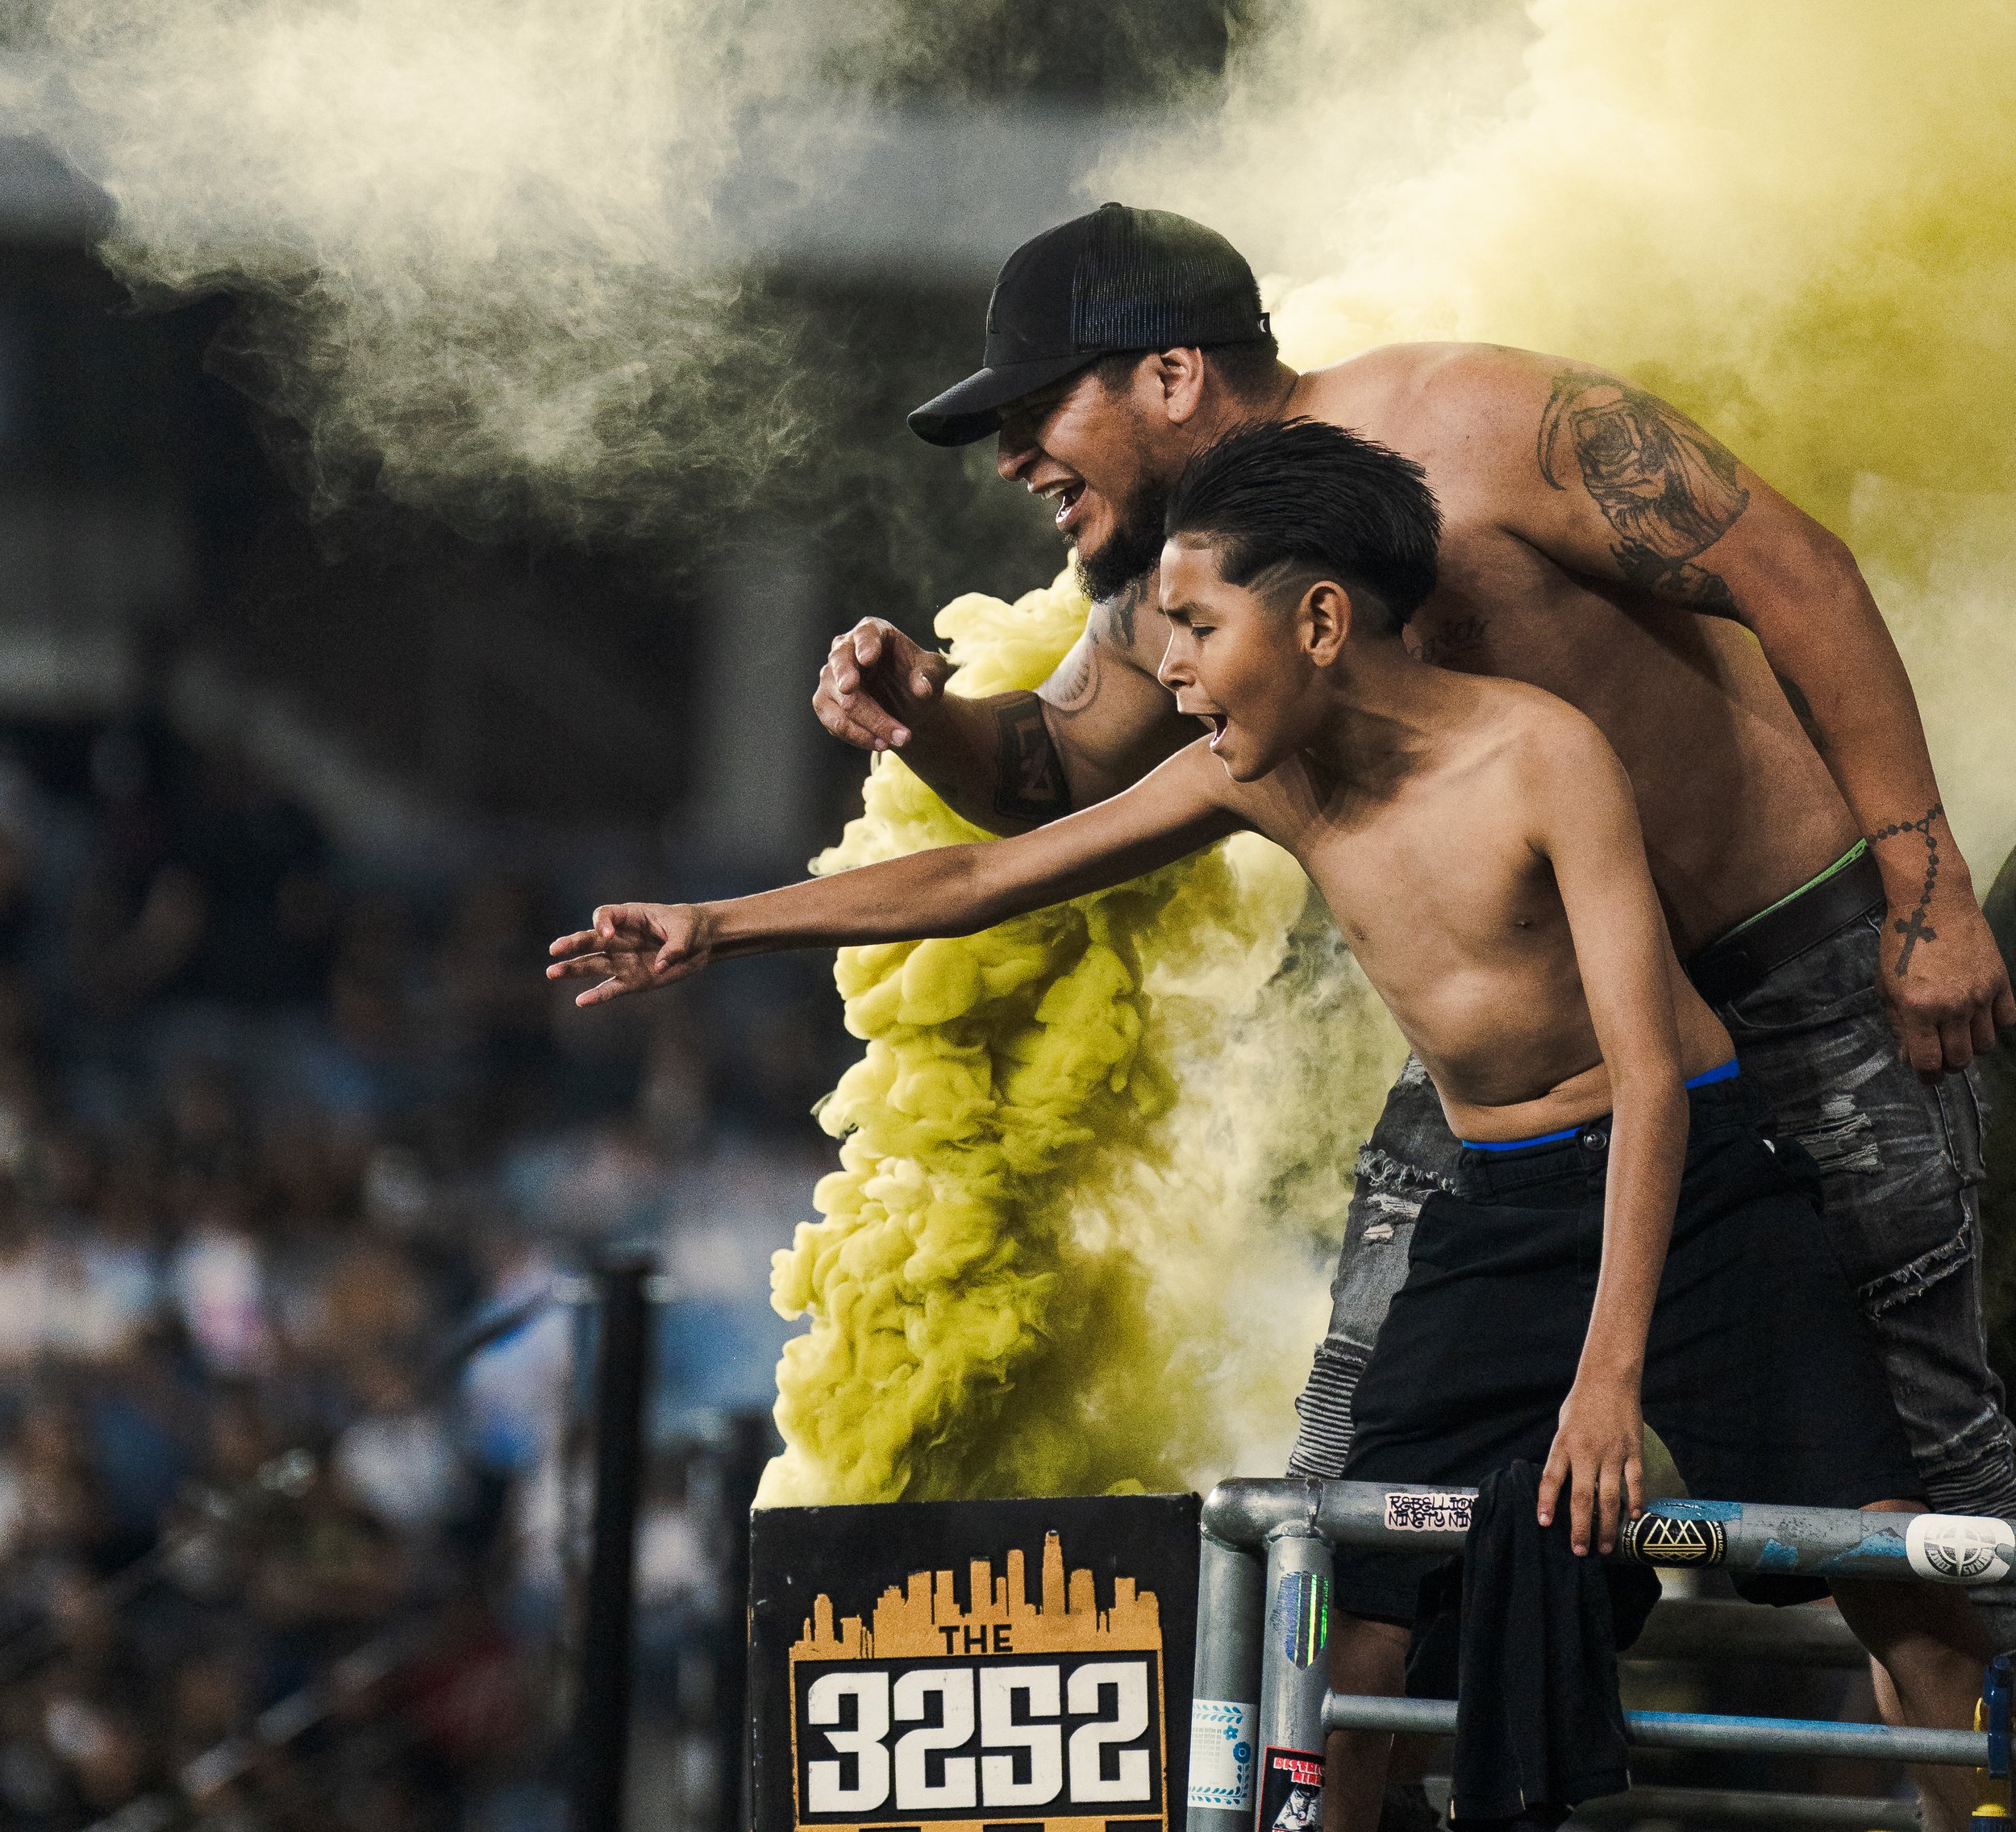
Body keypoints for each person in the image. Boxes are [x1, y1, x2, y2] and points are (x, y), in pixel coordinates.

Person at [564, 420, 1989, 1831]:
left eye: (1192, 625)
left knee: (1887, 1578)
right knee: (1350, 1616)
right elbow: (977, 881)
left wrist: (1607, 1378)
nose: (1167, 666)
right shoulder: (1262, 775)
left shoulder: (1542, 755)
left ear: (1318, 619)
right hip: (1495, 1212)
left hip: (1697, 1188)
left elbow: (1650, 1078)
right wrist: (713, 926)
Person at [814, 203, 2016, 1795]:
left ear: (1168, 373)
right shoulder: (1182, 586)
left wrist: (1922, 883)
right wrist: (926, 721)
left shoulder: (1474, 417)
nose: (1011, 460)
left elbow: (1793, 575)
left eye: (1034, 414)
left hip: (1792, 965)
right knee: (1348, 1507)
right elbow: (1043, 779)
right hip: (1532, 1056)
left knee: (1915, 1501)